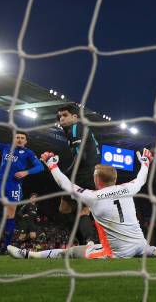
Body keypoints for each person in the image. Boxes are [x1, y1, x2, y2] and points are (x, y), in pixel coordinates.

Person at [7, 149, 156, 259]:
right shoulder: (130, 188)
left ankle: (28, 255)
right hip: (140, 244)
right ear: (115, 179)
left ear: (96, 179)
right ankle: (151, 250)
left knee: (72, 252)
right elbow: (141, 179)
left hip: (117, 254)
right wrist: (146, 163)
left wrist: (52, 166)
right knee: (101, 244)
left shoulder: (92, 196)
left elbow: (65, 184)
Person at [0, 118, 45, 253]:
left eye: (22, 138)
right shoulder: (6, 147)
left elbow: (40, 167)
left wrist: (26, 172)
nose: (20, 139)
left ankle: (6, 246)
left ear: (26, 141)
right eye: (18, 137)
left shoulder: (28, 153)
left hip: (14, 186)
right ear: (14, 139)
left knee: (9, 216)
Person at [55, 103, 101, 244]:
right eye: (59, 116)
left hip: (84, 172)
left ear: (75, 117)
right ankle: (85, 240)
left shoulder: (76, 128)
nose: (61, 118)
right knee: (66, 208)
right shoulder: (76, 129)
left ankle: (88, 241)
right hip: (92, 172)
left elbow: (80, 155)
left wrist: (66, 173)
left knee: (81, 210)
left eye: (65, 115)